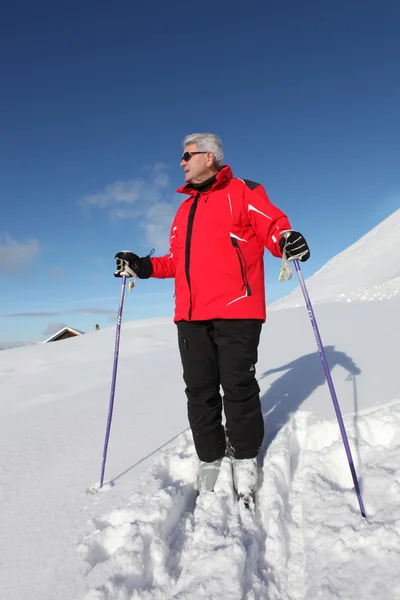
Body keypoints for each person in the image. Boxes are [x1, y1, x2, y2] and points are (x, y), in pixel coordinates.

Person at [114, 133, 310, 498]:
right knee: (199, 389)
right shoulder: (184, 209)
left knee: (237, 386)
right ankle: (209, 456)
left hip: (238, 308)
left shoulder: (243, 191)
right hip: (190, 314)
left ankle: (246, 457)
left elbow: (272, 224)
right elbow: (176, 261)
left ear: (210, 157)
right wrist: (141, 266)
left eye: (187, 155)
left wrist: (285, 239)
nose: (181, 162)